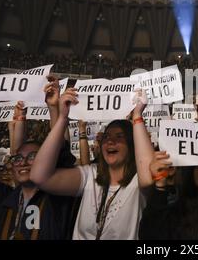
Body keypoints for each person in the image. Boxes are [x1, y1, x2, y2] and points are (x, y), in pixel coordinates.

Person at [29, 88, 153, 240]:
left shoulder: (137, 182)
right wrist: (62, 118)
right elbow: (39, 177)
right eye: (106, 136)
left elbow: (148, 176)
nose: (110, 141)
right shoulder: (90, 175)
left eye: (119, 136)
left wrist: (137, 116)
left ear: (132, 145)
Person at [0, 80, 76, 240]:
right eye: (18, 158)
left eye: (33, 157)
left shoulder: (58, 199)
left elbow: (60, 154)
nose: (24, 162)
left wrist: (54, 109)